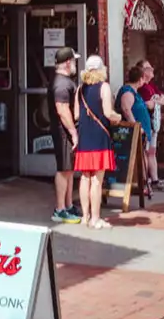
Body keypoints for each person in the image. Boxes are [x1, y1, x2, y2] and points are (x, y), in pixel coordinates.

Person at [73, 55, 122, 229]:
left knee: (85, 178)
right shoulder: (104, 87)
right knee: (97, 180)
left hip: (85, 137)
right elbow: (108, 113)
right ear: (102, 69)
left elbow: (77, 115)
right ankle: (95, 218)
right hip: (100, 137)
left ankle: (85, 217)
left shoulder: (80, 89)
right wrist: (119, 116)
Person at [49, 47, 81, 224]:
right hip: (63, 132)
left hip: (65, 132)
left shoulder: (64, 81)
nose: (75, 64)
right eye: (74, 61)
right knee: (63, 169)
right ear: (68, 62)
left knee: (69, 169)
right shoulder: (61, 84)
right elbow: (62, 110)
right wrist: (73, 132)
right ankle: (60, 209)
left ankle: (68, 206)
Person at [116, 65, 156, 200]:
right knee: (138, 158)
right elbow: (126, 110)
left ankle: (142, 184)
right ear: (139, 79)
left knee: (143, 156)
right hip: (134, 133)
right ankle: (140, 184)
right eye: (143, 78)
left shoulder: (134, 92)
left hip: (143, 132)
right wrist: (136, 127)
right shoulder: (128, 91)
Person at [137, 61, 164, 192]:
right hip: (146, 123)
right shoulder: (141, 87)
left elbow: (163, 98)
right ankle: (145, 181)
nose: (152, 70)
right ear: (142, 71)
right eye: (148, 68)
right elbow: (148, 104)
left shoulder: (151, 86)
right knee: (146, 152)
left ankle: (155, 179)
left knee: (152, 151)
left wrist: (156, 100)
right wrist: (156, 101)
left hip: (154, 124)